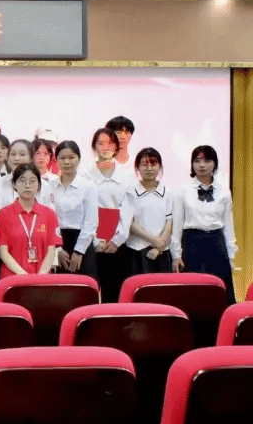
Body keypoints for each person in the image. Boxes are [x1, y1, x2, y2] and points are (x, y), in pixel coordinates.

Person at [172, 145, 237, 303]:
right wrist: (176, 254)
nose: (202, 165)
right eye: (197, 161)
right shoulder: (182, 190)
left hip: (217, 242)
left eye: (207, 161)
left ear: (214, 164)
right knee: (194, 291)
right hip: (192, 243)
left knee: (221, 290)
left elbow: (228, 225)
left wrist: (231, 255)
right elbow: (177, 224)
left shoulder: (224, 191)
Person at [82, 128, 135, 302]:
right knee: (91, 290)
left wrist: (118, 239)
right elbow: (84, 211)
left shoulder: (126, 177)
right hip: (91, 240)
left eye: (110, 143)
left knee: (114, 290)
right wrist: (94, 240)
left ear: (117, 147)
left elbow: (128, 209)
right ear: (94, 147)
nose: (105, 148)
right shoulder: (85, 176)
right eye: (101, 143)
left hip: (118, 242)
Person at [44, 140, 99, 279]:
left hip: (81, 242)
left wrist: (79, 251)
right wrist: (57, 249)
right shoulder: (49, 186)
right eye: (62, 158)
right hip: (56, 242)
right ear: (56, 160)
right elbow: (46, 219)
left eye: (71, 157)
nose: (67, 162)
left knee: (84, 285)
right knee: (58, 285)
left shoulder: (88, 186)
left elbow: (91, 221)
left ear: (78, 159)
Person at [0, 164, 62, 279]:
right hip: (12, 277)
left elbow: (51, 250)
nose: (27, 185)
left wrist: (39, 277)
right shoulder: (3, 214)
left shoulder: (49, 214)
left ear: (39, 185)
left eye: (32, 181)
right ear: (14, 184)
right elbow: (3, 252)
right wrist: (24, 277)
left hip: (42, 278)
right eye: (22, 181)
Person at [127, 147, 173, 276]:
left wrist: (159, 247)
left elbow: (169, 221)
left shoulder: (168, 192)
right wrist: (154, 240)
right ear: (137, 167)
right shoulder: (130, 192)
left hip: (162, 252)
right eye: (144, 164)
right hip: (136, 250)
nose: (149, 168)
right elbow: (129, 223)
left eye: (153, 164)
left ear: (160, 167)